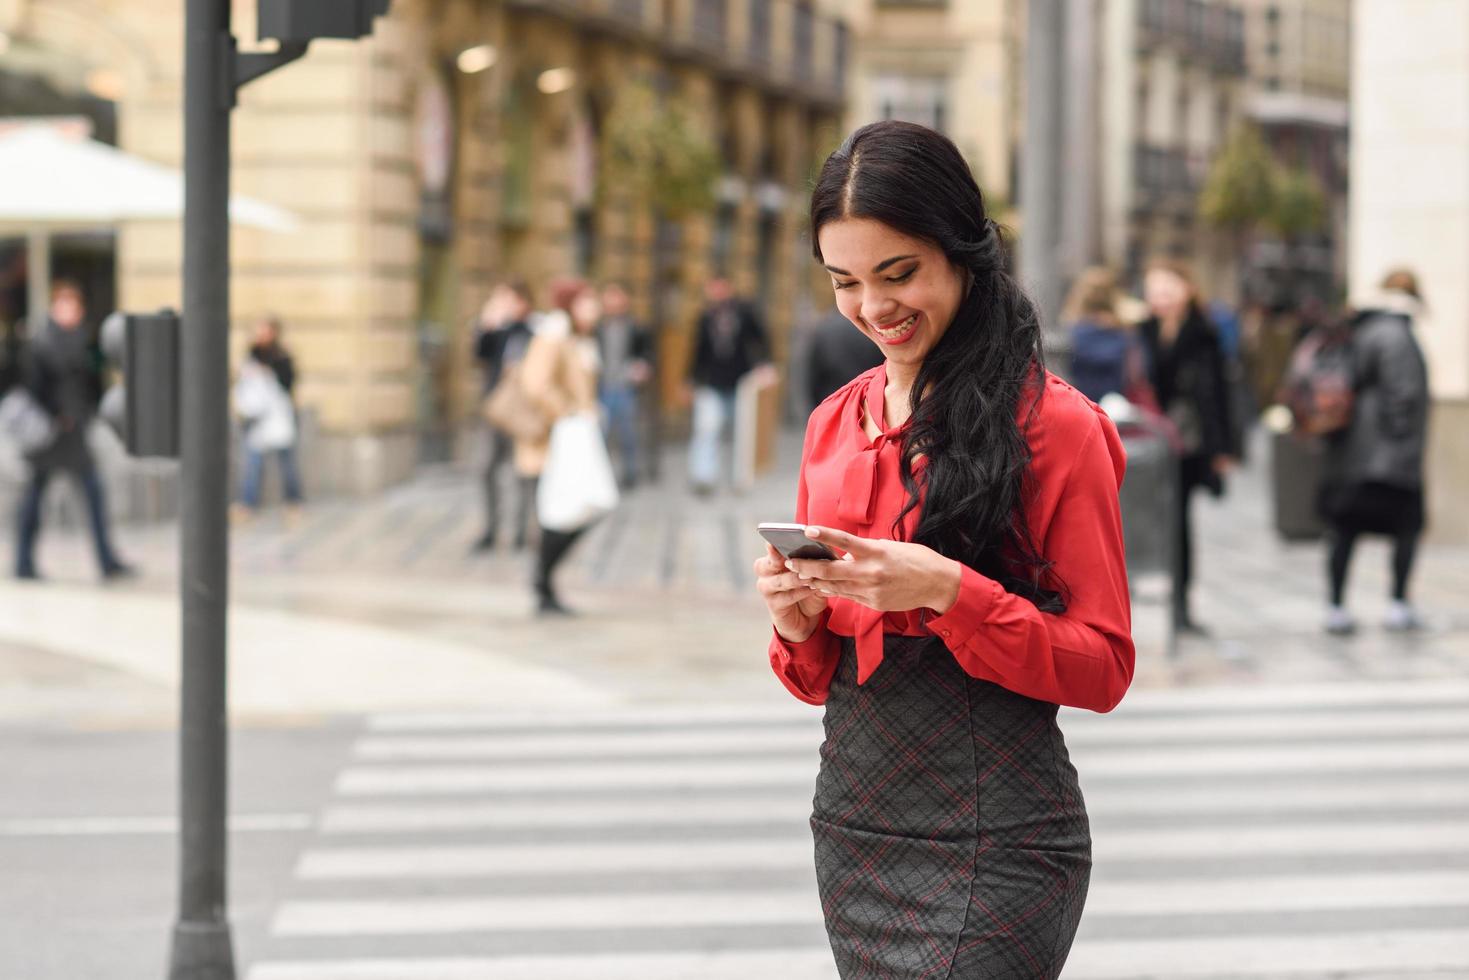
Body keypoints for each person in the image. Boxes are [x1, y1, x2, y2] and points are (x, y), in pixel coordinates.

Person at [753, 121, 1133, 979]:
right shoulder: (831, 425)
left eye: (899, 274)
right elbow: (818, 677)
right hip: (855, 823)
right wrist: (796, 620)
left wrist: (952, 592)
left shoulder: (1057, 426)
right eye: (844, 282)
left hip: (998, 831)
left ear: (964, 253)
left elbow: (1103, 667)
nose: (873, 308)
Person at [1319, 269, 1430, 635]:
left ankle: (1336, 606)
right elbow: (1404, 395)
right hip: (1387, 454)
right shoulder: (1396, 333)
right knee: (1406, 529)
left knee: (1345, 530)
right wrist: (1403, 440)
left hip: (1354, 452)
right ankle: (1397, 604)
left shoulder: (1362, 329)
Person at [1137, 258, 1236, 633]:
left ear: (1187, 290)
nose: (1160, 296)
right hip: (1150, 439)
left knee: (1179, 522)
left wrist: (1222, 448)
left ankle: (1180, 603)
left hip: (1189, 443)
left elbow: (1218, 393)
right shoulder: (1141, 332)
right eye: (1154, 289)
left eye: (1168, 288)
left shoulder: (1203, 332)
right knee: (1154, 522)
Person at [14, 280, 135, 581]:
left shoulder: (81, 340)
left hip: (73, 431)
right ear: (55, 308)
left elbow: (91, 380)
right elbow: (33, 385)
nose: (69, 310)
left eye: (74, 305)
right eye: (64, 304)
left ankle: (104, 561)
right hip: (54, 434)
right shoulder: (43, 342)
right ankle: (24, 562)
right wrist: (58, 414)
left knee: (84, 493)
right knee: (42, 495)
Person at [520, 280, 602, 615]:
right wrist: (568, 414)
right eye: (588, 301)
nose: (594, 308)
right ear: (572, 304)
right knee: (561, 513)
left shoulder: (577, 339)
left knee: (581, 509)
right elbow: (535, 383)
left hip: (573, 443)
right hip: (553, 445)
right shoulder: (553, 335)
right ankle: (542, 583)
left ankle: (543, 580)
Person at [686, 275, 773, 494]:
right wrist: (691, 379)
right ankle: (704, 476)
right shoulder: (706, 316)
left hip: (741, 382)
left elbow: (761, 340)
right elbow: (698, 351)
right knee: (707, 429)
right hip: (712, 382)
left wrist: (764, 365)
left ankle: (740, 477)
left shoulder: (744, 312)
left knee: (743, 433)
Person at [472, 281, 537, 552]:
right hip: (496, 411)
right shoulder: (497, 332)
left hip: (523, 413)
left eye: (507, 300)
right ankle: (491, 529)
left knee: (523, 472)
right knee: (486, 468)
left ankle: (522, 532)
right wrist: (487, 326)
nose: (503, 306)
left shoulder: (533, 330)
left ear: (522, 302)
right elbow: (478, 355)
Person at [233, 315, 304, 523]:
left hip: (279, 419)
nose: (260, 335)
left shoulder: (282, 358)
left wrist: (269, 372)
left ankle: (294, 502)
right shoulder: (250, 356)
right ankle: (248, 504)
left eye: (264, 330)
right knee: (252, 463)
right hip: (257, 420)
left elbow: (289, 384)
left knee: (287, 463)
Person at [1064, 266, 1151, 405]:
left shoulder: (1072, 334)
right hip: (1121, 406)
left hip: (1082, 404)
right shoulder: (1128, 334)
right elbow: (1141, 372)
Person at [595, 282, 653, 488]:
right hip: (602, 387)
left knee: (628, 434)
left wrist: (641, 368)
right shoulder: (598, 327)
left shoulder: (635, 326)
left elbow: (646, 354)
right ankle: (601, 475)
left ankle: (630, 473)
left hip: (626, 387)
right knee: (600, 435)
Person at [805, 302, 884, 409]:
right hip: (875, 404)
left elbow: (813, 378)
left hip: (835, 407)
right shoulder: (878, 328)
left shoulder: (823, 329)